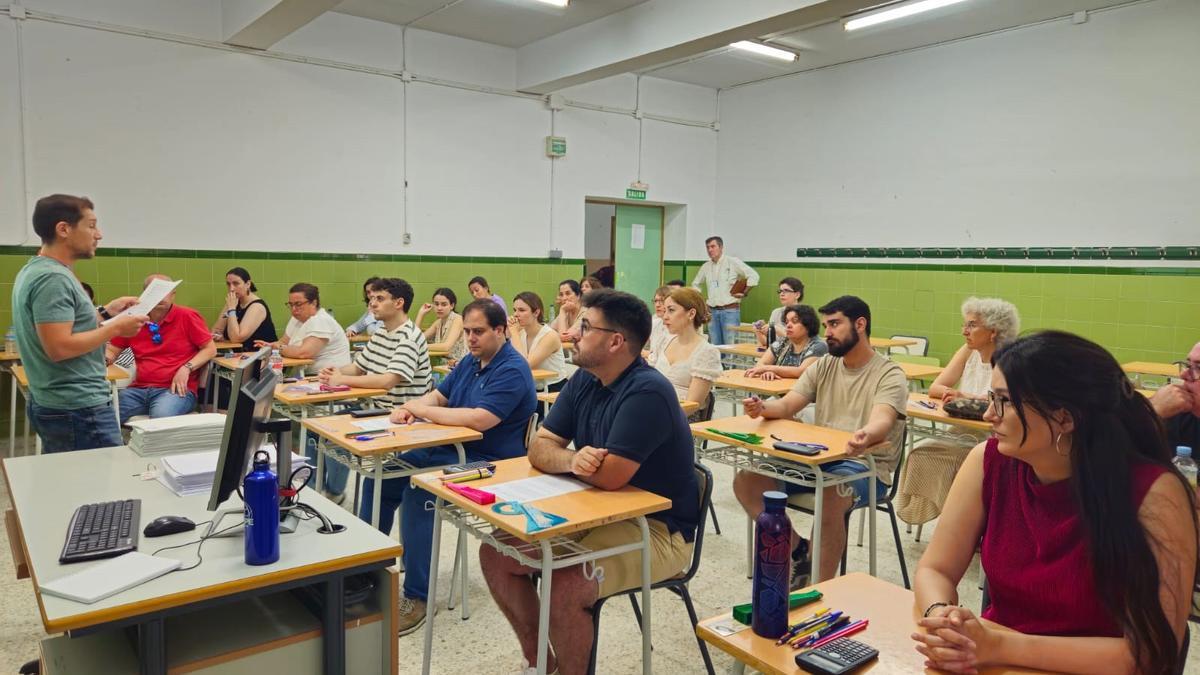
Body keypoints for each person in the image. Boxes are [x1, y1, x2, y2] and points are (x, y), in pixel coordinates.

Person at [911, 331, 1196, 675]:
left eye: (1004, 401)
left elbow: (1149, 653)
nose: (988, 414)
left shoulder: (1155, 494)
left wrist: (998, 645)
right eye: (990, 397)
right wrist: (942, 616)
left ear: (1065, 418)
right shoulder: (989, 461)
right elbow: (935, 569)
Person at [479, 289, 699, 675]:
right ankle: (540, 663)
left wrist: (573, 463)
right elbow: (539, 446)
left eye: (585, 327)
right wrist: (573, 460)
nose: (574, 335)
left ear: (615, 342)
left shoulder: (648, 391)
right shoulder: (585, 377)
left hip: (660, 529)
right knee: (497, 553)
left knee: (567, 581)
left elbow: (611, 476)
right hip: (595, 507)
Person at [380, 299, 536, 635]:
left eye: (478, 331)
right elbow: (439, 396)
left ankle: (418, 597)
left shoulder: (512, 369)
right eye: (466, 331)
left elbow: (480, 419)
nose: (470, 338)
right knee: (383, 477)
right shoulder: (470, 361)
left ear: (500, 330)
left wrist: (421, 410)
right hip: (451, 450)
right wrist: (414, 406)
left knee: (419, 493)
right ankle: (367, 570)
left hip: (489, 462)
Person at [732, 295, 906, 586]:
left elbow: (883, 419)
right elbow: (788, 405)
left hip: (866, 465)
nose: (828, 333)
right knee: (747, 481)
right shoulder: (826, 365)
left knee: (832, 493)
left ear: (860, 325)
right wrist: (762, 408)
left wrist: (865, 434)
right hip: (819, 457)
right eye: (826, 326)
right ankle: (799, 549)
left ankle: (817, 587)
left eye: (835, 324)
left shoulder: (889, 373)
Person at [12, 194, 146, 452]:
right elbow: (59, 347)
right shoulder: (52, 278)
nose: (99, 235)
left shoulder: (39, 269)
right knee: (100, 479)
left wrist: (106, 312)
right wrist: (117, 328)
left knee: (75, 476)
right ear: (63, 229)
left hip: (65, 404)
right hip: (78, 408)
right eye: (91, 226)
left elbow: (64, 326)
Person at [897, 297, 1020, 526]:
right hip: (959, 432)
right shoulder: (967, 351)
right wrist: (957, 395)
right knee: (918, 454)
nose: (964, 331)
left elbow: (1006, 403)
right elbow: (935, 388)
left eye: (972, 325)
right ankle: (950, 521)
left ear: (993, 331)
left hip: (992, 439)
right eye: (965, 324)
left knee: (950, 461)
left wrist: (966, 397)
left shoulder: (1010, 358)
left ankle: (961, 523)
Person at [318, 278, 432, 503]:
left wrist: (341, 379)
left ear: (399, 303)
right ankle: (317, 492)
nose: (372, 304)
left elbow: (388, 381)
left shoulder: (409, 337)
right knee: (323, 429)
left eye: (380, 299)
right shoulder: (381, 332)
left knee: (336, 435)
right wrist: (333, 372)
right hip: (378, 408)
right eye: (371, 298)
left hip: (403, 415)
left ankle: (333, 493)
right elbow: (358, 367)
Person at [106, 274, 216, 425]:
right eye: (155, 291)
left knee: (160, 417)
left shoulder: (187, 316)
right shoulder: (134, 320)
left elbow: (210, 349)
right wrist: (106, 359)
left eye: (166, 291)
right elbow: (112, 350)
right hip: (139, 389)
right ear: (145, 295)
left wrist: (187, 368)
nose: (161, 296)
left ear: (173, 294)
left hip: (175, 389)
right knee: (104, 416)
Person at [647, 287, 722, 411]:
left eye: (671, 310)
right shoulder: (664, 342)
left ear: (691, 314)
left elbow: (691, 405)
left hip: (679, 417)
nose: (665, 317)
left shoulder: (706, 352)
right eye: (665, 311)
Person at [256, 283, 350, 373]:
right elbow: (283, 342)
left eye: (298, 304)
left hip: (326, 376)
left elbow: (304, 353)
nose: (293, 309)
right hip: (306, 374)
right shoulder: (296, 319)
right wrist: (270, 346)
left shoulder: (321, 320)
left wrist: (278, 348)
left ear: (313, 303)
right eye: (291, 305)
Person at [690, 235, 759, 346]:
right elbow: (695, 284)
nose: (710, 250)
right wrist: (702, 302)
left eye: (713, 246)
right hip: (712, 312)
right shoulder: (706, 266)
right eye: (707, 247)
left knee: (731, 346)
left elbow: (754, 275)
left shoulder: (732, 262)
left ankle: (730, 359)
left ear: (721, 247)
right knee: (715, 346)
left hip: (730, 311)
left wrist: (745, 292)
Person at [745, 304, 827, 381]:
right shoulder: (782, 342)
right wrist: (768, 372)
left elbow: (801, 371)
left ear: (808, 324)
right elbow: (761, 364)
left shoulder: (818, 345)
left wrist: (768, 369)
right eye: (787, 322)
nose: (788, 325)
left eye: (794, 321)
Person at [507, 291, 566, 391]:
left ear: (536, 312)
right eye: (515, 310)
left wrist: (514, 332)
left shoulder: (550, 335)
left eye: (521, 310)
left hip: (554, 388)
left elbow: (525, 365)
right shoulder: (520, 332)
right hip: (531, 386)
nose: (516, 314)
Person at [1149, 341, 1200, 452]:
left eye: (1199, 368)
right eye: (1188, 365)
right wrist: (1153, 411)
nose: (1183, 375)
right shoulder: (1176, 411)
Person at [211, 266, 276, 350]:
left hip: (259, 354)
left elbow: (236, 338)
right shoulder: (232, 302)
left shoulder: (257, 307)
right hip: (240, 354)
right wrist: (220, 337)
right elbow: (216, 331)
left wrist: (231, 309)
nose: (231, 289)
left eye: (236, 283)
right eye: (228, 284)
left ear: (248, 284)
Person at [416, 287, 467, 364]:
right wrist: (421, 314)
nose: (439, 308)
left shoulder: (458, 319)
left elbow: (446, 347)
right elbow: (417, 339)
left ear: (452, 306)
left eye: (444, 304)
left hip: (459, 365)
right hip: (443, 365)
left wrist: (419, 346)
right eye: (436, 304)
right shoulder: (438, 322)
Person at [756, 277, 804, 348]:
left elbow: (798, 344)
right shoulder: (776, 312)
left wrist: (777, 330)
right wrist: (759, 331)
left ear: (797, 295)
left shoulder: (804, 314)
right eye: (780, 291)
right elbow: (768, 342)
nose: (781, 294)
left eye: (786, 291)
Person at [647, 285, 671, 356]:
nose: (657, 305)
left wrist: (648, 354)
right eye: (655, 301)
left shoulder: (675, 327)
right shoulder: (654, 323)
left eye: (661, 301)